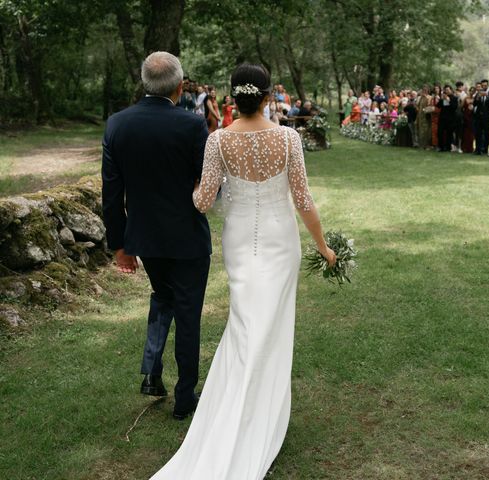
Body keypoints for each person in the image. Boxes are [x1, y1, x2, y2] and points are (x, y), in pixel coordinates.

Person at [150, 62, 336, 480]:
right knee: (270, 322)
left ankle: (247, 401)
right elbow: (303, 200)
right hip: (279, 238)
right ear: (268, 96)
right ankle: (259, 409)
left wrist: (192, 185)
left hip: (238, 240)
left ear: (233, 97)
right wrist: (323, 247)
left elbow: (201, 202)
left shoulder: (217, 141)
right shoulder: (288, 138)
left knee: (246, 321)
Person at [102, 52, 211, 420]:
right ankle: (184, 398)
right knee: (188, 313)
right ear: (180, 88)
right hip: (188, 239)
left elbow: (111, 193)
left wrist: (120, 245)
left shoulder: (117, 124)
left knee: (163, 296)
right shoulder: (193, 126)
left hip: (146, 238)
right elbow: (204, 185)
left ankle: (151, 369)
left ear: (144, 83)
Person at [473, 80, 489, 155]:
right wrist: (478, 97)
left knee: (486, 134)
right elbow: (474, 103)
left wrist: (486, 96)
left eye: (485, 85)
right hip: (478, 116)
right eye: (482, 85)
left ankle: (485, 149)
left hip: (487, 117)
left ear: (488, 85)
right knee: (478, 133)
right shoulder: (478, 93)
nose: (484, 87)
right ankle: (478, 149)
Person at [437, 85, 458, 152]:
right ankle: (441, 147)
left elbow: (454, 107)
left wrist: (449, 100)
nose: (447, 91)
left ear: (451, 90)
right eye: (446, 90)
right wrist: (441, 99)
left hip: (450, 119)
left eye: (448, 90)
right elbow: (438, 106)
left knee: (449, 134)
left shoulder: (454, 98)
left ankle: (448, 147)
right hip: (442, 118)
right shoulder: (443, 97)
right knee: (440, 132)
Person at [416, 85, 432, 149]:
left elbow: (429, 105)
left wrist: (426, 97)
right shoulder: (420, 98)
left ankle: (427, 145)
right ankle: (421, 144)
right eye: (423, 90)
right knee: (420, 130)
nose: (424, 91)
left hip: (426, 116)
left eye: (425, 90)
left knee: (426, 131)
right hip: (420, 116)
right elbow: (417, 105)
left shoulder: (430, 97)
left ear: (428, 91)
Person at [461, 86, 475, 153]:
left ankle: (470, 148)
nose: (472, 92)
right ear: (469, 91)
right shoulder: (465, 98)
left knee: (471, 133)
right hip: (466, 116)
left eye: (473, 91)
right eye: (471, 90)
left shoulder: (475, 99)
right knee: (465, 133)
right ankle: (464, 148)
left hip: (472, 117)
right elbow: (461, 106)